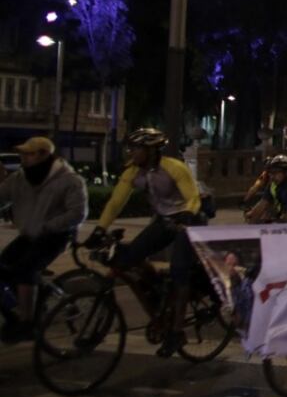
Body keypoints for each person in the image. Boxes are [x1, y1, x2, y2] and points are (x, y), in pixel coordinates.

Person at [86, 128, 205, 357]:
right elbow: (115, 202)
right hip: (163, 220)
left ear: (151, 150)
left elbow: (193, 197)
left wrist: (187, 215)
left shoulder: (174, 168)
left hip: (187, 220)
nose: (131, 152)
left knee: (180, 270)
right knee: (129, 256)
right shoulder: (133, 172)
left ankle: (177, 332)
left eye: (136, 148)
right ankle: (156, 287)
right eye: (130, 148)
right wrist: (100, 229)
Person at [0, 137, 87, 343]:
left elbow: (77, 213)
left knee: (25, 269)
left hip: (56, 235)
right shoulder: (21, 178)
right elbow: (2, 197)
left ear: (44, 155)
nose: (23, 157)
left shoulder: (69, 180)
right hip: (30, 234)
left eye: (28, 154)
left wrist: (48, 226)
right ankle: (19, 311)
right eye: (23, 153)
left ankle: (28, 322)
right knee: (3, 267)